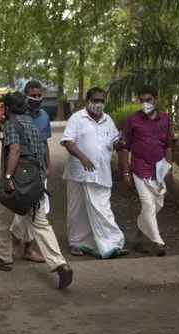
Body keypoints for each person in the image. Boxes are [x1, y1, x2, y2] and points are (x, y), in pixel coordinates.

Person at [0, 92, 73, 289]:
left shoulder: (11, 124)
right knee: (41, 224)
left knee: (2, 219)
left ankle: (4, 259)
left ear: (7, 109)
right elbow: (40, 152)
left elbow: (15, 149)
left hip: (15, 183)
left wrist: (8, 177)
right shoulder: (33, 125)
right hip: (34, 182)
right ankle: (60, 264)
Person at [60, 87, 128, 258]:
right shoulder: (76, 119)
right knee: (78, 211)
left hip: (102, 174)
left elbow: (114, 142)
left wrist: (119, 144)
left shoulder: (108, 120)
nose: (98, 104)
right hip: (79, 174)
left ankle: (113, 243)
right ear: (86, 101)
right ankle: (78, 243)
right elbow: (68, 141)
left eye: (101, 101)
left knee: (103, 209)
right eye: (95, 100)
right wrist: (82, 157)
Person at [121, 85, 173, 256]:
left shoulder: (165, 119)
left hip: (158, 169)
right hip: (139, 168)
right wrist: (126, 172)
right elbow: (124, 147)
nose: (145, 103)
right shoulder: (132, 120)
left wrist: (169, 168)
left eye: (148, 100)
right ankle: (158, 242)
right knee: (148, 204)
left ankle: (137, 239)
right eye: (142, 100)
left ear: (155, 99)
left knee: (157, 204)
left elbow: (168, 146)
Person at [9, 80, 52, 263]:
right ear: (25, 95)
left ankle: (26, 248)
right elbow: (12, 147)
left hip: (40, 170)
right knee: (23, 208)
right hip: (23, 171)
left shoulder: (44, 116)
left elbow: (45, 143)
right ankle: (15, 246)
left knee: (38, 210)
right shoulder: (19, 117)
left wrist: (48, 165)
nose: (36, 98)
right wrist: (9, 174)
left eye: (38, 95)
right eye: (32, 95)